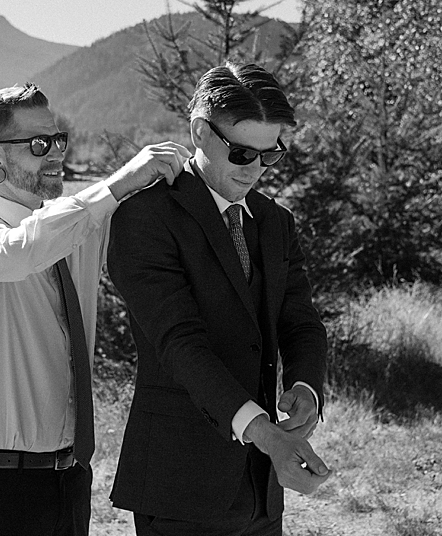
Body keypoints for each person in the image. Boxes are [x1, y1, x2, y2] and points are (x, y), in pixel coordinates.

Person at [0, 82, 190, 536]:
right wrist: (120, 180)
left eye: (57, 139)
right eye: (37, 144)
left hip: (69, 484)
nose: (55, 154)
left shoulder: (78, 228)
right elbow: (23, 248)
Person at [106, 62, 332, 536]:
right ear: (200, 133)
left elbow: (301, 323)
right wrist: (269, 437)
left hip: (260, 493)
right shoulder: (145, 218)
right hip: (178, 486)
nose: (256, 171)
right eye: (243, 154)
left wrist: (308, 388)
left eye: (271, 156)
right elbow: (179, 345)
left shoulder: (275, 222)